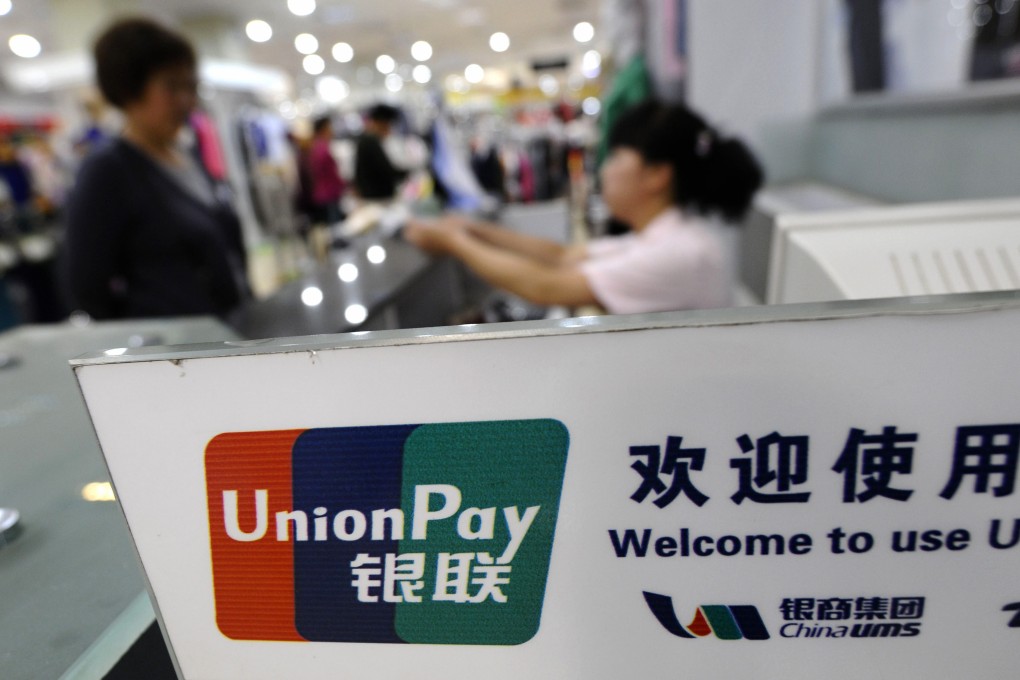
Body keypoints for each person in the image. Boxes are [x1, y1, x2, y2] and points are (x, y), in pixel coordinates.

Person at [404, 99, 763, 315]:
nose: (603, 170)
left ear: (656, 175)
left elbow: (547, 285)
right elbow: (563, 256)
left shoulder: (679, 252)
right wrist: (472, 229)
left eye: (616, 157)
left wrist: (455, 242)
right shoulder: (664, 236)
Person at [63, 17, 248, 321]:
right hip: (176, 355)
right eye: (172, 87)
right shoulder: (109, 170)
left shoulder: (186, 154)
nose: (186, 100)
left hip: (227, 334)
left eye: (191, 86)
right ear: (129, 91)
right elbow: (87, 287)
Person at [353, 103, 406, 201]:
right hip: (376, 198)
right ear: (382, 123)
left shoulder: (366, 139)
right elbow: (386, 170)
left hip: (372, 196)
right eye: (388, 125)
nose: (389, 130)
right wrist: (407, 173)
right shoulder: (370, 141)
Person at [307, 115, 345, 224]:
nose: (332, 130)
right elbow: (330, 174)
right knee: (335, 226)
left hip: (326, 192)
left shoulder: (317, 146)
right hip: (329, 193)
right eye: (330, 127)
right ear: (323, 129)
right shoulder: (322, 148)